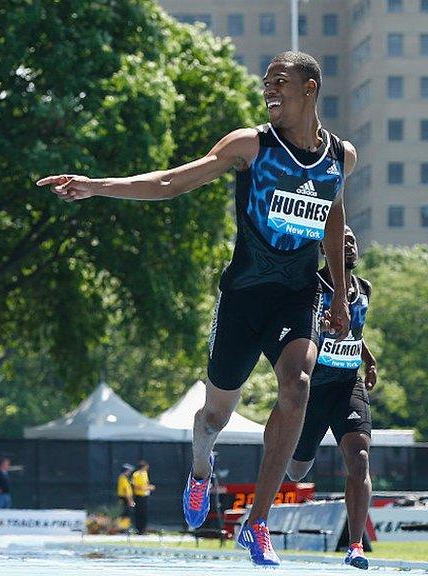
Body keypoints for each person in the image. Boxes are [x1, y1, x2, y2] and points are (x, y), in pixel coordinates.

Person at [38, 51, 353, 566]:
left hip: (295, 298)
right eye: (266, 82)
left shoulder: (341, 157)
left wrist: (339, 293)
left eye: (281, 82)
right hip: (242, 299)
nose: (269, 90)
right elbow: (170, 182)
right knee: (213, 415)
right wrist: (96, 186)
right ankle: (201, 469)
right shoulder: (250, 145)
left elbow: (335, 219)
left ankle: (257, 525)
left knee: (298, 384)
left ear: (310, 87)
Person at [287, 226, 376, 570]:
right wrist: (318, 328)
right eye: (342, 240)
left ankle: (355, 546)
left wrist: (368, 360)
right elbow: (296, 328)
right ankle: (286, 448)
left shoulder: (364, 288)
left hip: (346, 386)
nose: (349, 245)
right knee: (296, 471)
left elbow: (355, 330)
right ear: (326, 249)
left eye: (353, 240)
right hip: (313, 387)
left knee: (360, 458)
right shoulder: (313, 285)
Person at [131, 461, 156, 534]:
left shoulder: (145, 473)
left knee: (144, 513)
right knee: (139, 512)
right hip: (139, 496)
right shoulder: (136, 474)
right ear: (144, 466)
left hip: (145, 496)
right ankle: (139, 529)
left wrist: (149, 487)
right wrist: (145, 488)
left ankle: (143, 529)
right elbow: (135, 485)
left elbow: (146, 483)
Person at [115, 463, 135, 530]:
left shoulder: (123, 478)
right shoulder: (123, 478)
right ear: (126, 471)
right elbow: (126, 492)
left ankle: (123, 527)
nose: (130, 472)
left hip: (124, 498)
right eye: (129, 471)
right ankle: (122, 528)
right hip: (125, 499)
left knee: (125, 513)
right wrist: (130, 501)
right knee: (125, 514)